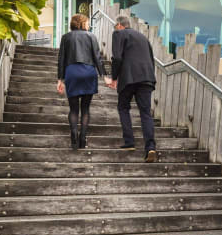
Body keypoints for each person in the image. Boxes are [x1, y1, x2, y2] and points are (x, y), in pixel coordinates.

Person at [108, 16, 157, 162]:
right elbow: (151, 59)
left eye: (115, 26)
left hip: (128, 78)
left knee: (123, 107)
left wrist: (114, 77)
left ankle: (129, 142)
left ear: (119, 25)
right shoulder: (143, 37)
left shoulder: (118, 33)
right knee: (145, 113)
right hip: (146, 78)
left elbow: (117, 58)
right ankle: (150, 147)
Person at [57, 14, 107, 150]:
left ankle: (74, 136)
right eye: (87, 22)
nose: (89, 25)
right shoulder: (91, 36)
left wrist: (60, 79)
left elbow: (61, 59)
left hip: (71, 72)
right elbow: (97, 57)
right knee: (85, 109)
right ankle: (83, 139)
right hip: (88, 72)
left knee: (73, 109)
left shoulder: (65, 37)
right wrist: (104, 75)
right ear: (82, 23)